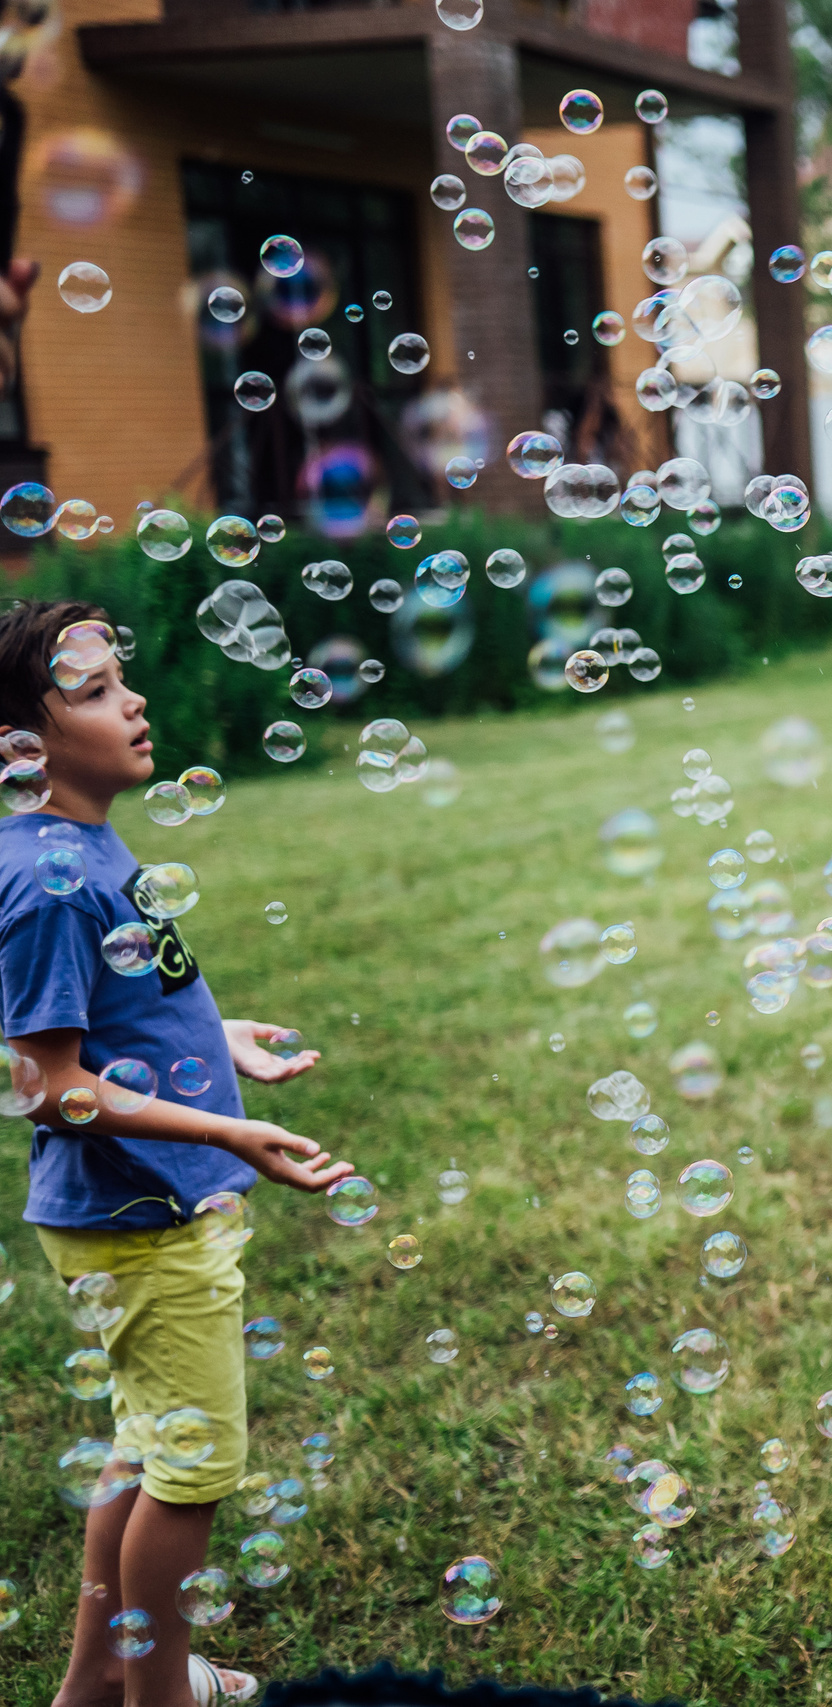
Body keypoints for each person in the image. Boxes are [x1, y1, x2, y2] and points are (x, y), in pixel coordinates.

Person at [0, 602, 351, 1707]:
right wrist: (228, 1130)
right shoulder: (47, 882)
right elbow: (51, 1087)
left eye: (123, 679)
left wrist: (217, 1038)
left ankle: (92, 1686)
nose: (134, 700)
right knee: (191, 1471)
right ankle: (159, 1695)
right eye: (96, 690)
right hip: (140, 1219)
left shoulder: (79, 848)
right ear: (22, 746)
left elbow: (119, 1012)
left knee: (141, 1447)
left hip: (127, 1214)